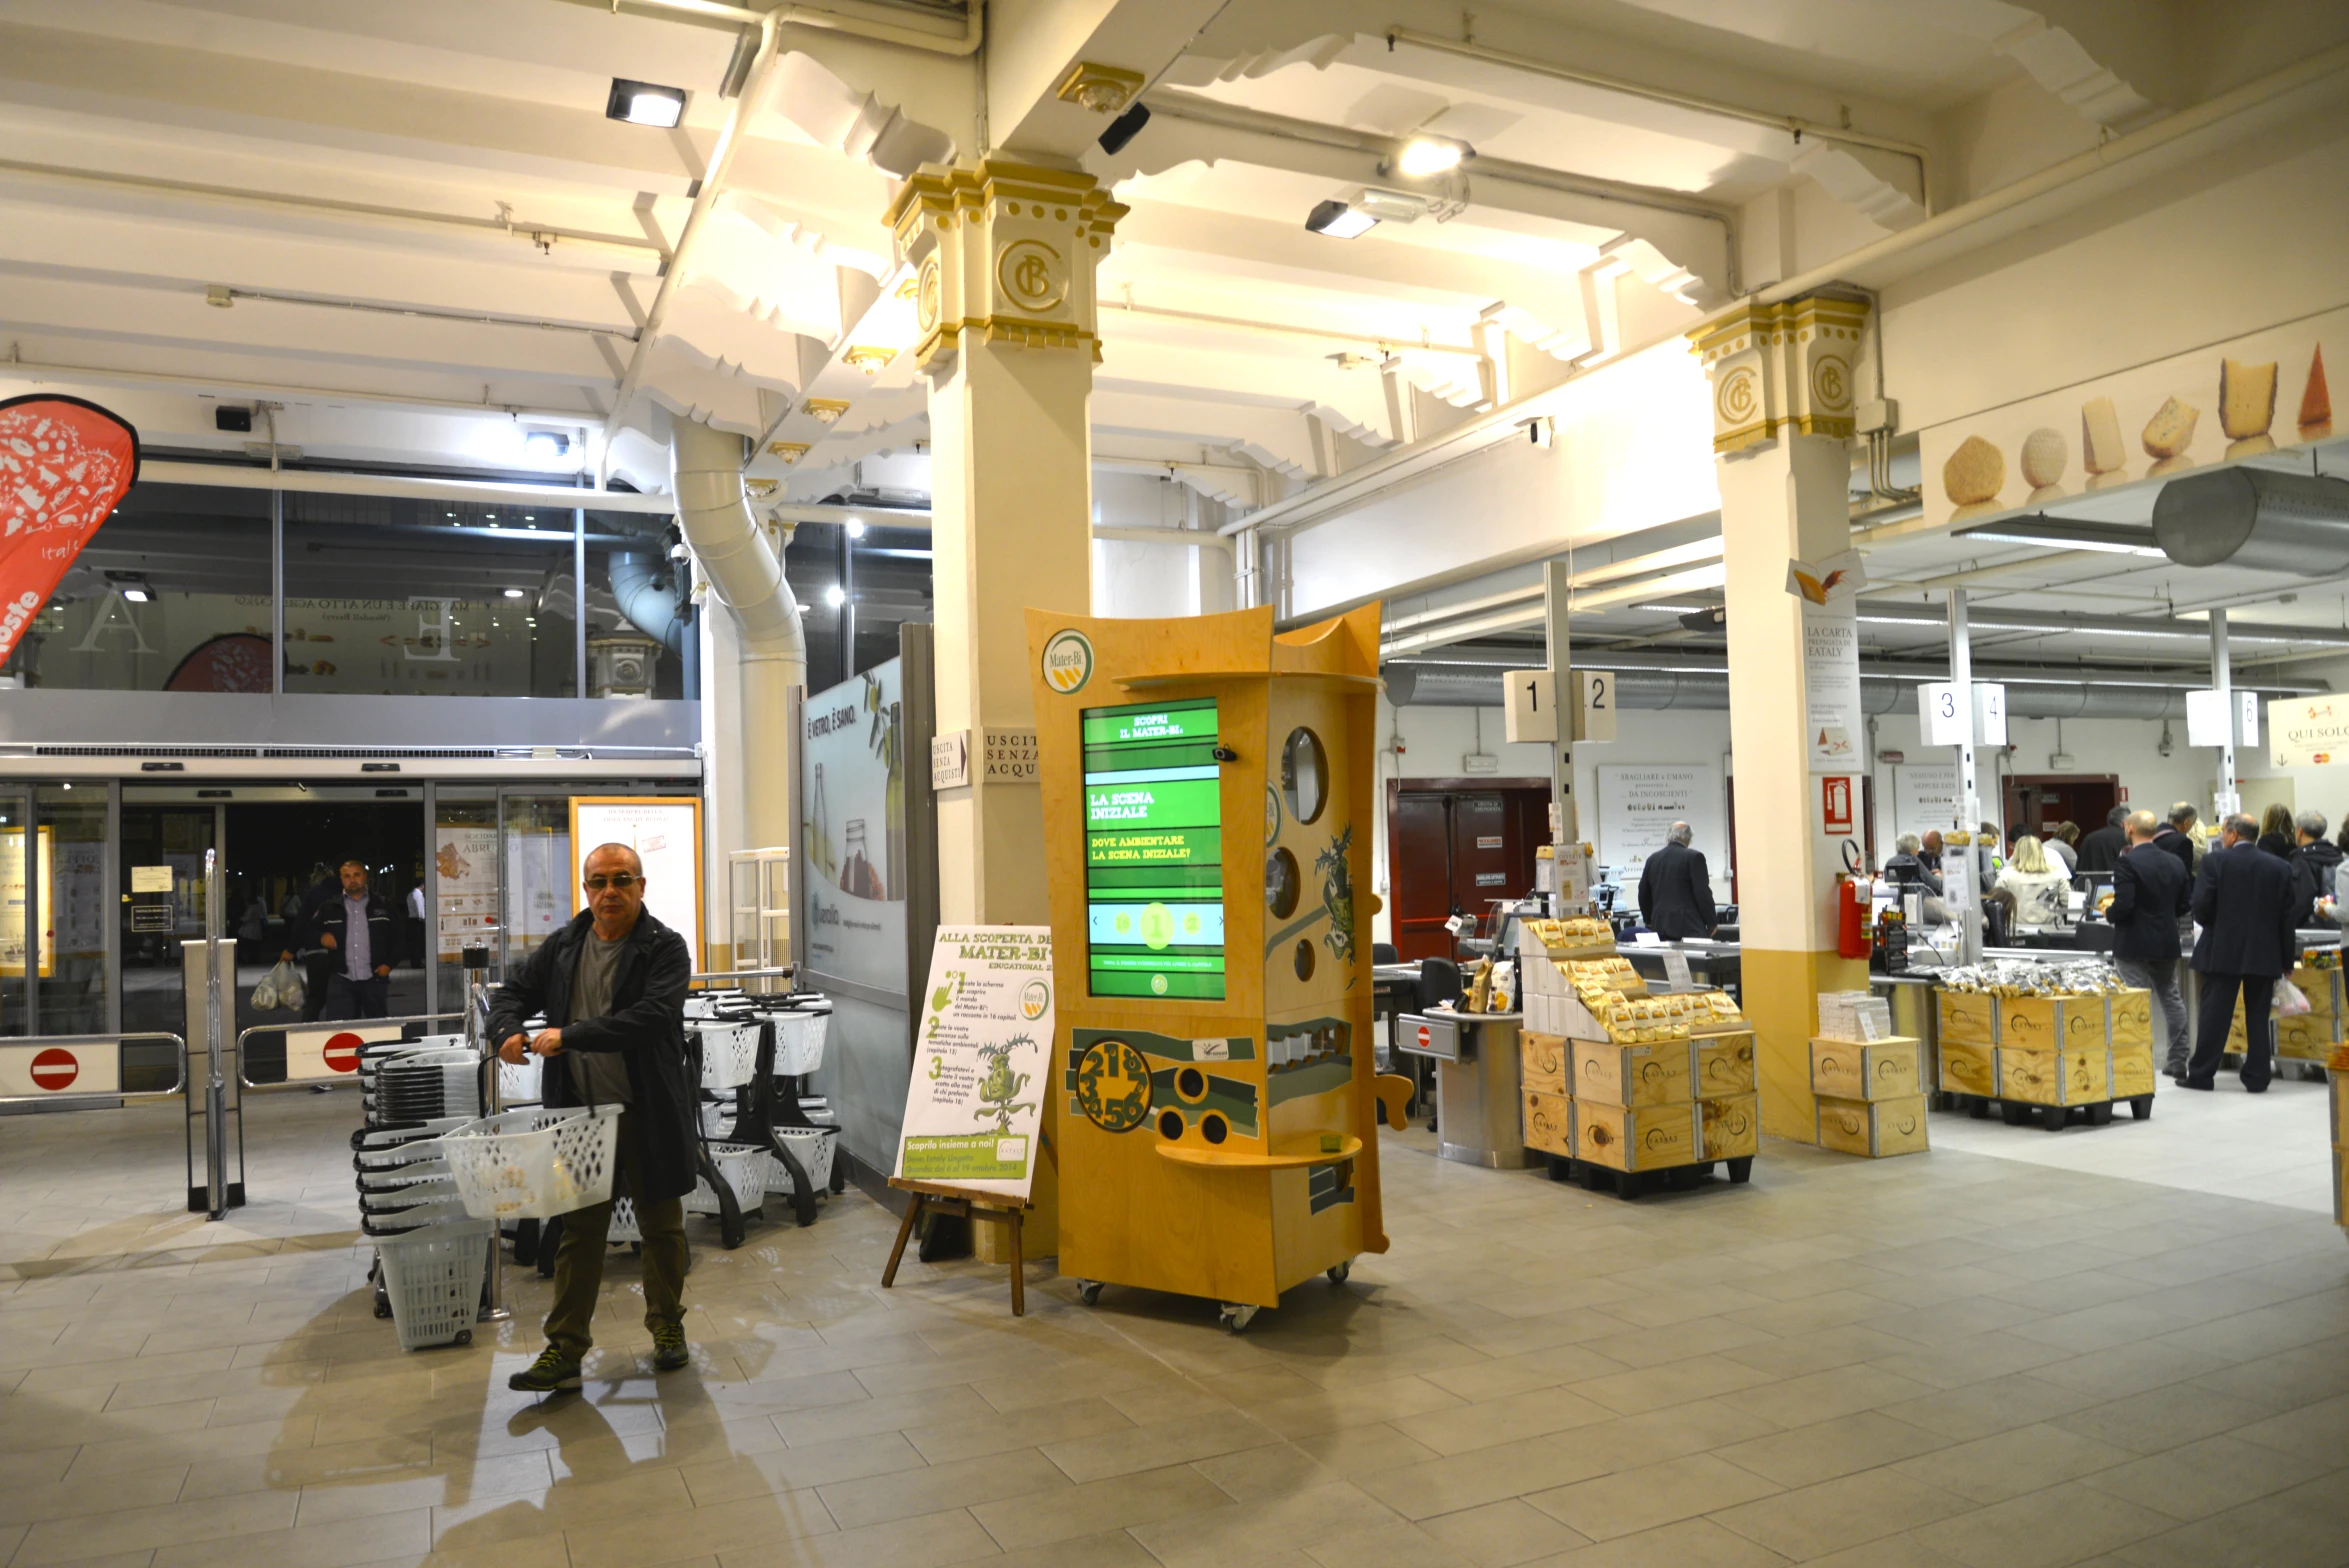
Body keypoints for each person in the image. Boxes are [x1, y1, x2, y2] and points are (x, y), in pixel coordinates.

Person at [492, 843, 696, 1391]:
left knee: (662, 1228)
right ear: (585, 889)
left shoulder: (665, 948)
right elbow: (510, 993)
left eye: (622, 880)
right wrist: (506, 1030)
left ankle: (667, 1328)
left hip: (646, 1111)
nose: (610, 892)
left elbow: (650, 1018)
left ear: (641, 886)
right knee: (578, 1234)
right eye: (599, 882)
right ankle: (564, 1351)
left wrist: (571, 1034)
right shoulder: (564, 946)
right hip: (580, 1117)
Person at [2184, 813, 2301, 1093]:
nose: (2222, 837)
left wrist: (2215, 925)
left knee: (2215, 1014)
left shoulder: (2215, 862)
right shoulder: (2279, 867)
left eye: (2224, 832)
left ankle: (2201, 1074)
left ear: (2234, 834)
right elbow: (2288, 918)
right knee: (2259, 1016)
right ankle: (2258, 1076)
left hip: (2221, 950)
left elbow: (2200, 906)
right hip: (2265, 953)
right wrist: (2286, 960)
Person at [2109, 811, 2192, 1077]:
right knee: (2171, 998)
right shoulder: (2176, 863)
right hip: (2166, 941)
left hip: (2132, 943)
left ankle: (2137, 1059)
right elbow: (2183, 904)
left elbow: (2124, 905)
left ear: (2129, 828)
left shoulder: (2127, 863)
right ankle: (2178, 1059)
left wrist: (2108, 913)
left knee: (2135, 1001)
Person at [313, 858, 398, 1020]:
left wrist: (389, 964)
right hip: (341, 979)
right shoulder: (330, 906)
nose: (352, 880)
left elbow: (399, 938)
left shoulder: (383, 905)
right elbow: (310, 931)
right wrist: (321, 936)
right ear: (341, 879)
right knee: (341, 1030)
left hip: (374, 978)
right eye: (347, 876)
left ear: (365, 876)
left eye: (356, 875)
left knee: (378, 1028)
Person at [1637, 821, 1717, 940]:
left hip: (1659, 928)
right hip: (1688, 927)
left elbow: (1643, 892)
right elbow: (1702, 892)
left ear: (1669, 836)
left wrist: (1648, 920)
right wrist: (1711, 922)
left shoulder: (1653, 859)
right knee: (1692, 959)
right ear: (1689, 838)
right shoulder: (1694, 857)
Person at [281, 863, 339, 1023]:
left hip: (317, 952)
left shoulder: (314, 893)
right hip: (343, 952)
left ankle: (307, 1032)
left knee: (316, 997)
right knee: (342, 998)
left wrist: (291, 949)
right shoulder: (348, 892)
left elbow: (301, 923)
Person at [1994, 834, 2070, 926]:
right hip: (2051, 930)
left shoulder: (2006, 875)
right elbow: (2067, 903)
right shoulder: (2057, 874)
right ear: (2041, 851)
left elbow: (1996, 905)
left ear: (2017, 852)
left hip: (2016, 930)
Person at [2291, 811, 2339, 926]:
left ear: (2300, 831)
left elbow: (2302, 900)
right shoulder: (2336, 855)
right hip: (2337, 923)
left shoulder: (2302, 861)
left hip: (2312, 929)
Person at [2077, 805, 2129, 874]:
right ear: (2124, 823)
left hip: (2092, 882)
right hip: (2119, 882)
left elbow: (2080, 867)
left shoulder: (2089, 838)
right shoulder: (2128, 837)